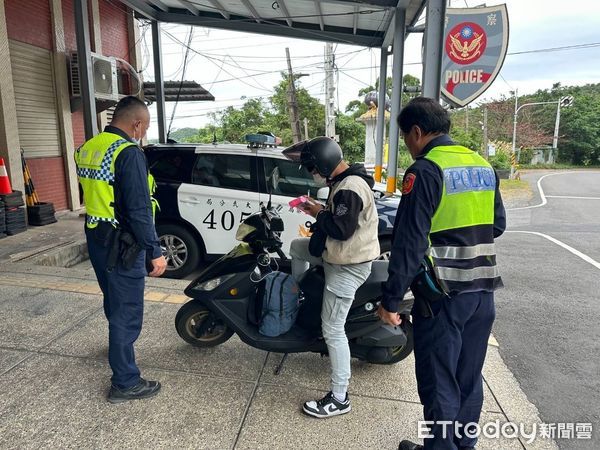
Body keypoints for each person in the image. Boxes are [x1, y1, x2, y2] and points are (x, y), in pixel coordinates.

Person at [377, 97, 506, 450]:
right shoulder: (482, 165)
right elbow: (498, 225)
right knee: (468, 379)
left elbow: (409, 242)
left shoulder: (425, 170)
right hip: (483, 295)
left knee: (439, 382)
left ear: (417, 132)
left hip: (443, 298)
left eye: (405, 137)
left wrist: (391, 300)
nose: (407, 145)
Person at [75, 96, 167, 404]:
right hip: (122, 241)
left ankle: (117, 347)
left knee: (113, 297)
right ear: (136, 123)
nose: (143, 133)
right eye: (145, 127)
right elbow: (139, 209)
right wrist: (154, 250)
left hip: (96, 235)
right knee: (127, 309)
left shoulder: (88, 147)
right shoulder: (127, 153)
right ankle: (126, 382)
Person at [287, 137, 380, 418]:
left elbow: (341, 230)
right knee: (296, 247)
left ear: (324, 163)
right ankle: (299, 293)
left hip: (347, 265)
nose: (313, 173)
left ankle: (340, 398)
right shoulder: (345, 181)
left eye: (313, 168)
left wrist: (317, 212)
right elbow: (339, 220)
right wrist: (321, 209)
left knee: (332, 330)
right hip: (338, 255)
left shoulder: (349, 188)